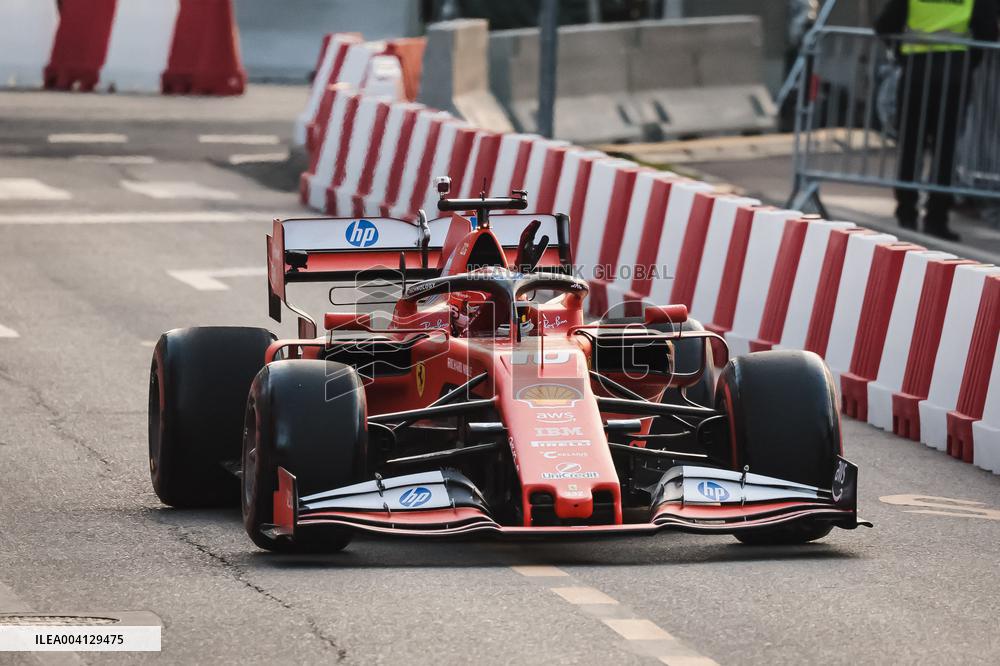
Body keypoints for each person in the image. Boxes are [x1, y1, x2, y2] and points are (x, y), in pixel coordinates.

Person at [875, 0, 998, 241]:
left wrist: (902, 53)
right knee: (946, 148)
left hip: (916, 72)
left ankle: (906, 212)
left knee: (911, 144)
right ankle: (936, 218)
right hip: (955, 74)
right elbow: (987, 31)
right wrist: (968, 61)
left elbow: (885, 24)